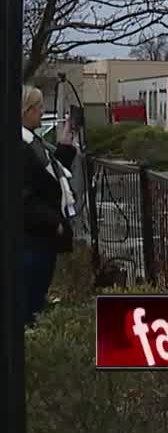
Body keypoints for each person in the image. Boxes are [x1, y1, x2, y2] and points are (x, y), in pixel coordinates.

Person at [21, 86, 78, 325]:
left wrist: (65, 144)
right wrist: (53, 222)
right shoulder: (21, 146)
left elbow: (50, 176)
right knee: (28, 299)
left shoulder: (33, 141)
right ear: (26, 110)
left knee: (35, 293)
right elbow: (25, 196)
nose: (42, 112)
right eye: (39, 107)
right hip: (33, 238)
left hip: (40, 235)